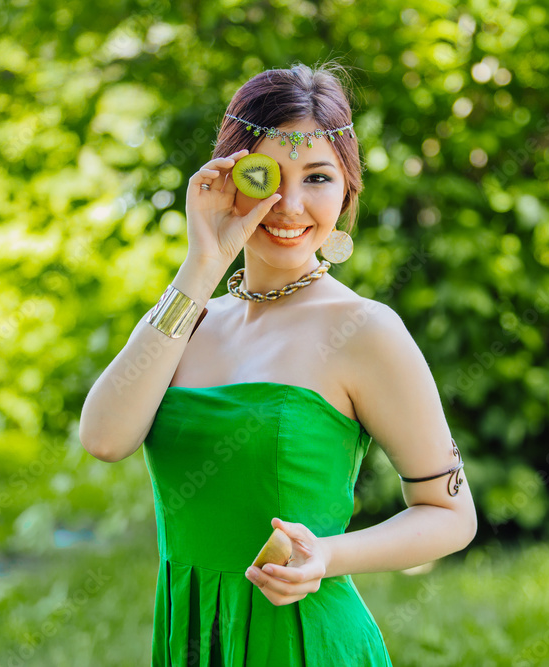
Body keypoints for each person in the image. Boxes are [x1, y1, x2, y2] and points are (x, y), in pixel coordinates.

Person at [80, 62, 478, 666]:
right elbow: (105, 437)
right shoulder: (190, 318)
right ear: (224, 178)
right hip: (192, 639)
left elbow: (451, 515)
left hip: (300, 641)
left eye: (317, 177)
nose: (288, 205)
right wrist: (202, 264)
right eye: (263, 175)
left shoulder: (365, 330)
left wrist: (328, 555)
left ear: (346, 189)